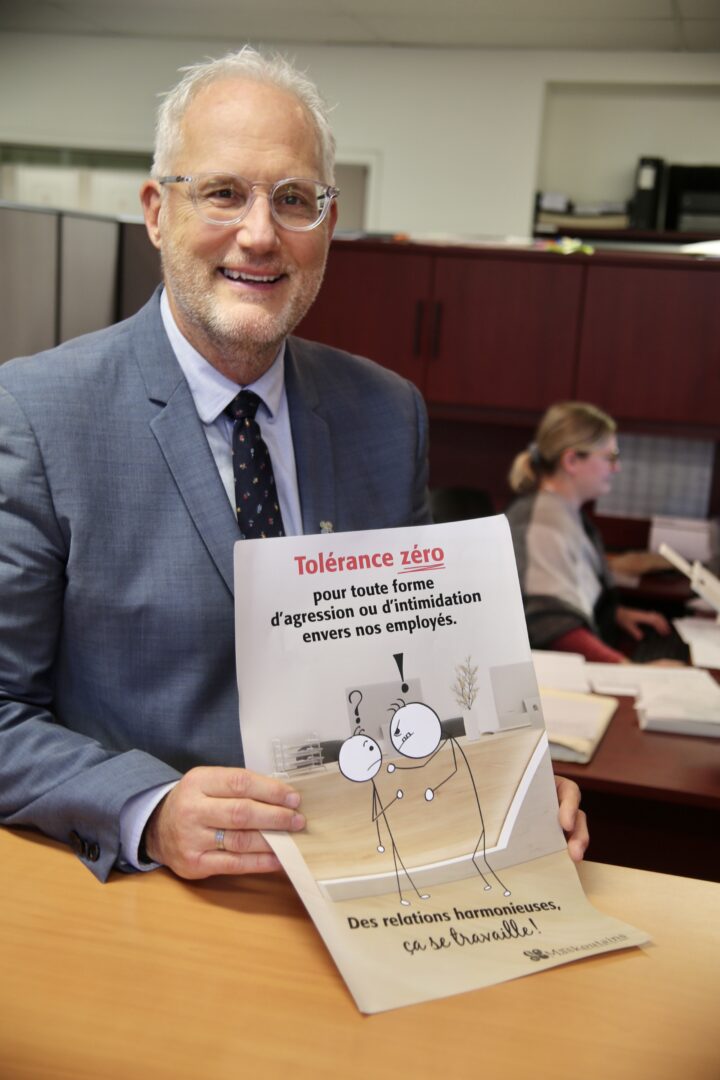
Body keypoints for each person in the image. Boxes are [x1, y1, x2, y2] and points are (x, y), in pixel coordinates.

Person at [0, 47, 587, 885]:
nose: (260, 234)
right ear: (156, 212)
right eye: (223, 192)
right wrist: (150, 810)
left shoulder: (386, 414)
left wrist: (506, 783)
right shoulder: (37, 415)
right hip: (153, 905)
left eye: (294, 199)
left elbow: (413, 670)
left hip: (366, 876)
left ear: (329, 224)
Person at [506, 401, 677, 664]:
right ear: (572, 460)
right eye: (610, 457)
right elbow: (553, 625)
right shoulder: (542, 523)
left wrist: (616, 615)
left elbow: (572, 593)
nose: (616, 468)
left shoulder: (564, 512)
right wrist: (629, 670)